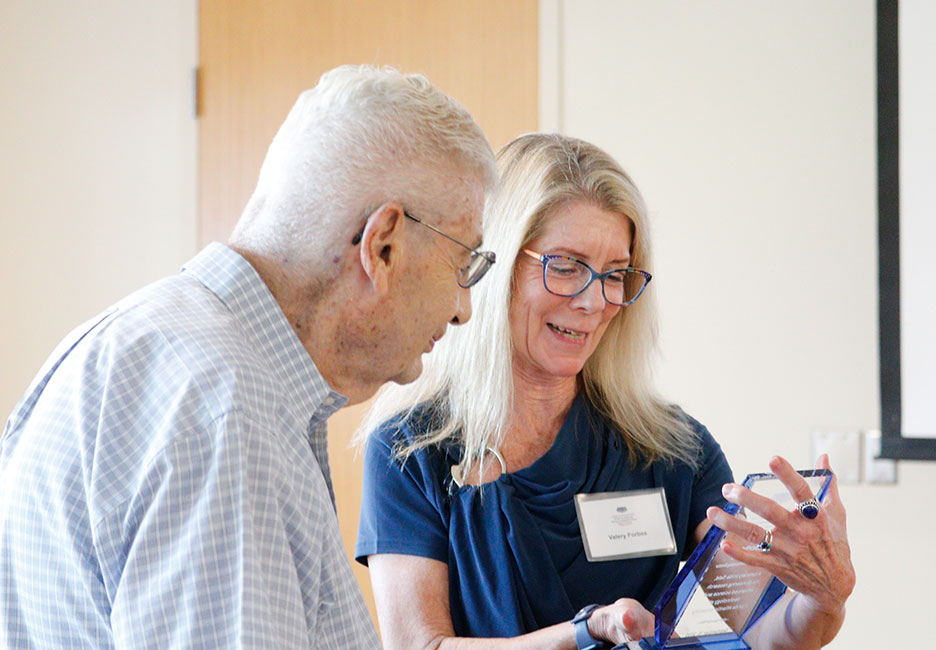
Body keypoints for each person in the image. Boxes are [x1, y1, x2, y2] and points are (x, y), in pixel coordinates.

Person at [0, 64, 497, 649]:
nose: (464, 308)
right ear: (382, 245)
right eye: (463, 263)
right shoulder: (226, 415)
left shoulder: (142, 344)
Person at [355, 133, 854, 650]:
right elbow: (421, 646)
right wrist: (584, 633)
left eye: (615, 274)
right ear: (498, 266)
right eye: (566, 266)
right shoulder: (411, 450)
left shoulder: (672, 448)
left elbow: (757, 635)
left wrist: (822, 597)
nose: (595, 301)